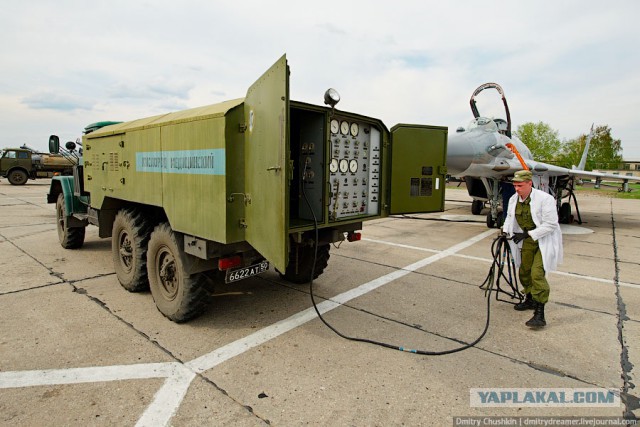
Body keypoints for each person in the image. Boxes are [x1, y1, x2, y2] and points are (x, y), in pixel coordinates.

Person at [502, 170, 563, 328]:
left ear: (530, 183)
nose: (517, 189)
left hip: (543, 240)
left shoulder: (545, 199)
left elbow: (551, 224)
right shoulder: (514, 199)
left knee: (537, 274)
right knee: (524, 271)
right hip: (527, 241)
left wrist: (528, 234)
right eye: (515, 185)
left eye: (520, 185)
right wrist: (505, 232)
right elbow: (509, 217)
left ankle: (540, 313)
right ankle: (529, 298)